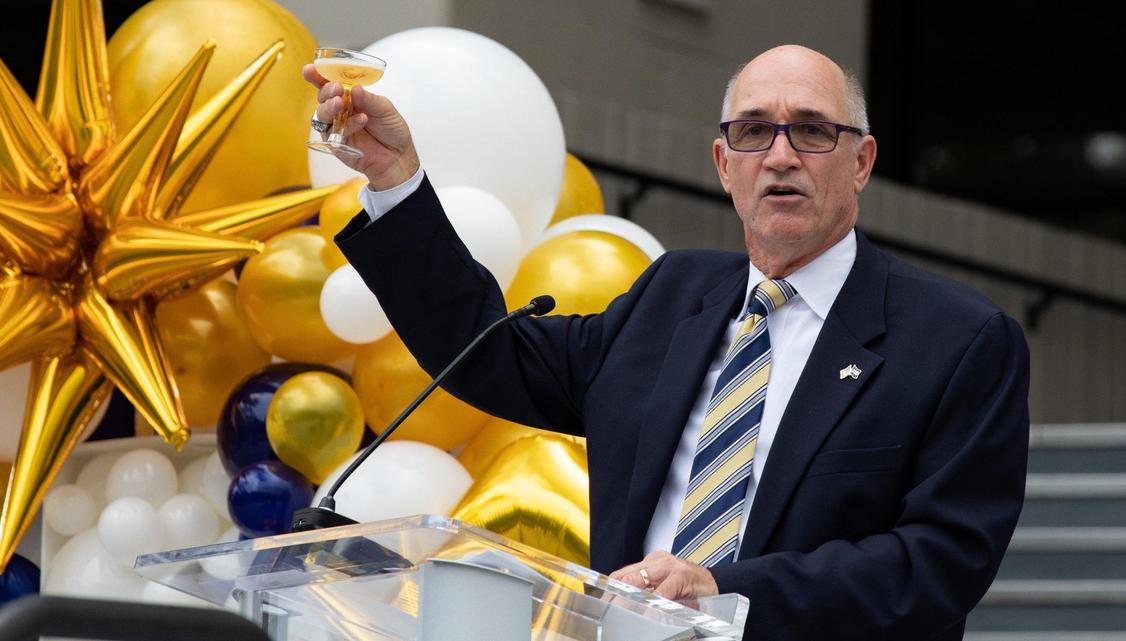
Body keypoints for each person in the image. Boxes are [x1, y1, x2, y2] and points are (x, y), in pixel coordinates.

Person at [303, 44, 1029, 640]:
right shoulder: (673, 296)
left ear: (861, 162)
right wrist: (395, 180)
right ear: (724, 165)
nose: (780, 155)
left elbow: (940, 562)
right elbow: (489, 353)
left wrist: (723, 592)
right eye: (753, 131)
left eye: (811, 131)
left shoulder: (957, 340)